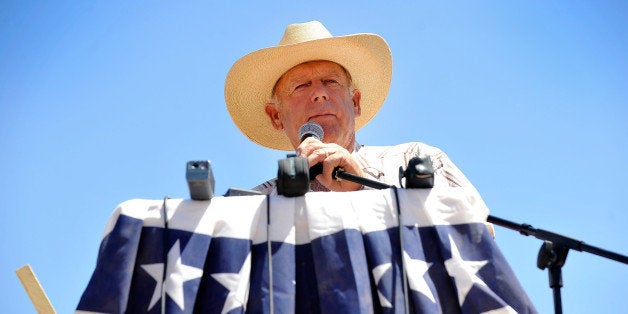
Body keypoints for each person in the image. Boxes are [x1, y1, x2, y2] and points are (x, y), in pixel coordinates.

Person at [224, 21, 483, 200]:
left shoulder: (417, 160)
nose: (319, 93)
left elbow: (478, 238)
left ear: (355, 102)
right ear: (276, 116)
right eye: (302, 86)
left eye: (331, 82)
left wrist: (361, 185)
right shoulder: (255, 204)